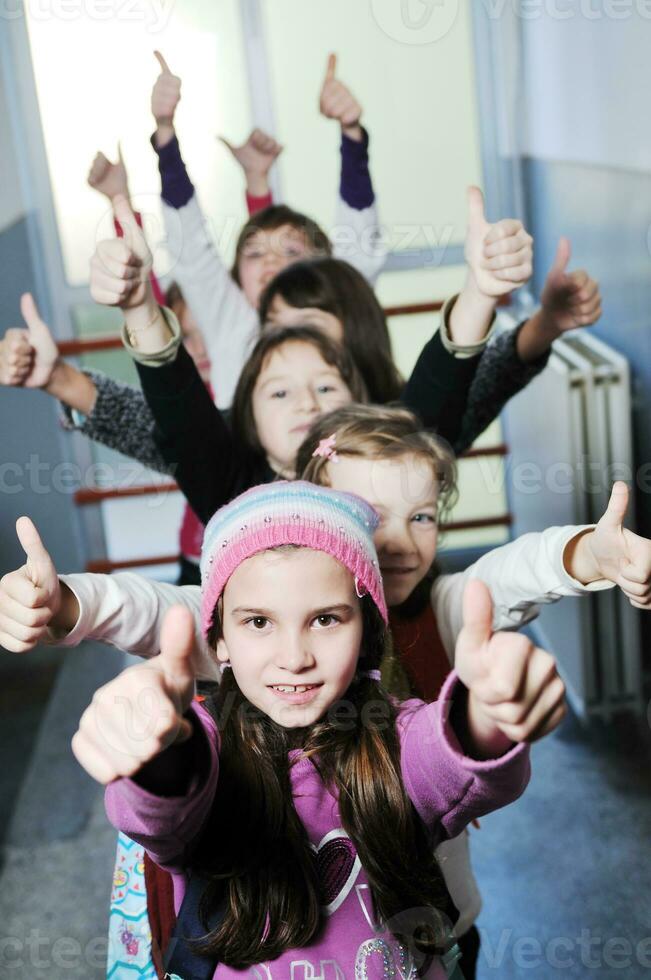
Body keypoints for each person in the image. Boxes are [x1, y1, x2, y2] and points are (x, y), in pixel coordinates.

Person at [68, 479, 560, 978]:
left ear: (367, 628)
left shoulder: (398, 734)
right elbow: (165, 807)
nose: (295, 658)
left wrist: (488, 714)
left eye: (325, 619)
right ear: (218, 640)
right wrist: (161, 750)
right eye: (259, 622)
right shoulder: (208, 743)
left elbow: (450, 760)